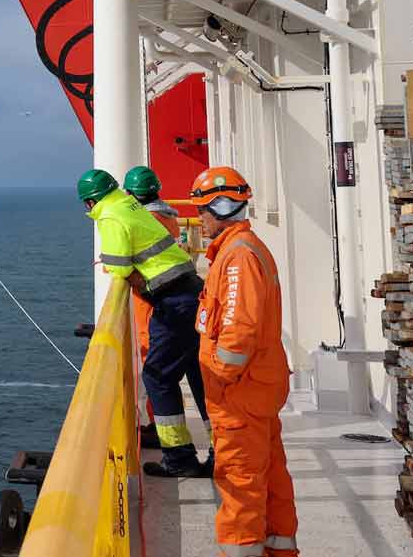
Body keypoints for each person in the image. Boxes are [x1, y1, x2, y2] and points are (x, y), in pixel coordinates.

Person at [192, 166, 298, 557]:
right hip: (254, 391)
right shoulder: (241, 250)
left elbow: (238, 332)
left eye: (203, 210)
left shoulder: (237, 259)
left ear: (221, 207)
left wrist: (219, 377)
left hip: (240, 396)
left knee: (239, 488)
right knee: (269, 481)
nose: (198, 219)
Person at [78, 168, 210, 478]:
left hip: (173, 302)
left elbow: (120, 267)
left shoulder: (109, 215)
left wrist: (111, 265)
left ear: (89, 203)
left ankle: (179, 459)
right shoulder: (129, 205)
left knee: (158, 377)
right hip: (189, 291)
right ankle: (222, 451)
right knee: (198, 375)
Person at [123, 165, 210, 446]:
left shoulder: (148, 221)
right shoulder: (168, 218)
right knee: (195, 375)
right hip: (178, 299)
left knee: (157, 373)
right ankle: (213, 443)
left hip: (158, 306)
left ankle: (172, 446)